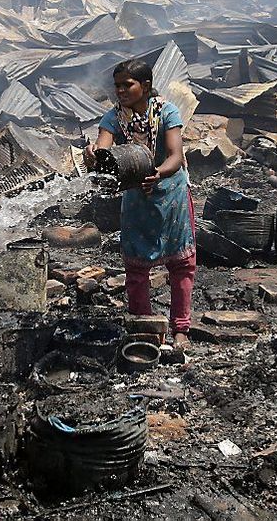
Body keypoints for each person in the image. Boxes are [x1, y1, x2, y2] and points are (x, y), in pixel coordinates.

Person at [85, 59, 196, 349]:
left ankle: (180, 328)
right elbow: (103, 147)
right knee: (135, 267)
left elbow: (175, 154)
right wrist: (93, 155)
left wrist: (159, 174)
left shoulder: (167, 112)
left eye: (127, 85)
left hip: (170, 193)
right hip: (136, 196)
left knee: (181, 263)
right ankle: (143, 327)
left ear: (145, 86)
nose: (120, 90)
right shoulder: (113, 118)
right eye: (117, 86)